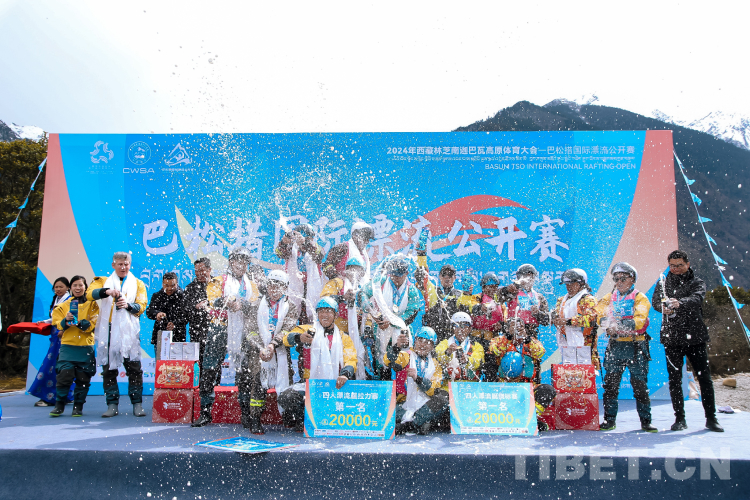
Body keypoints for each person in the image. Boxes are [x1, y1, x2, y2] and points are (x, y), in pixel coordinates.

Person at [652, 250, 723, 432]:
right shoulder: (663, 282)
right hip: (671, 338)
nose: (675, 269)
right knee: (675, 380)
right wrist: (663, 308)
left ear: (688, 264)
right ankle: (680, 419)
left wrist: (679, 303)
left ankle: (711, 418)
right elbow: (655, 302)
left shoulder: (697, 282)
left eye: (679, 265)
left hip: (695, 337)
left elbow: (697, 298)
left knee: (704, 378)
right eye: (672, 265)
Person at [193, 247, 259, 427]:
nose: (242, 265)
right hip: (220, 329)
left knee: (244, 371)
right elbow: (213, 300)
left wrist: (242, 304)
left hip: (243, 331)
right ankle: (205, 412)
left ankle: (245, 412)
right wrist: (227, 301)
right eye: (238, 261)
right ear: (231, 262)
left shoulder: (251, 284)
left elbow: (256, 305)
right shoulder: (219, 280)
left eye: (245, 262)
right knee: (209, 369)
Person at [278, 297, 357, 431]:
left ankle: (326, 418)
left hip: (335, 384)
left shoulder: (343, 337)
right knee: (286, 397)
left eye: (328, 311)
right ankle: (304, 419)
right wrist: (299, 338)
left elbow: (351, 359)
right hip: (311, 384)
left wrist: (345, 375)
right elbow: (286, 339)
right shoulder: (308, 330)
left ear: (335, 315)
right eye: (321, 311)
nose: (324, 315)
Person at [595, 262, 656, 432]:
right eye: (616, 278)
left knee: (640, 385)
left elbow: (640, 320)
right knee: (610, 385)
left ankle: (646, 421)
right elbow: (598, 312)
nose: (619, 282)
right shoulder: (609, 297)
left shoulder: (640, 297)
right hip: (615, 346)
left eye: (623, 278)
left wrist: (618, 325)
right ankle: (609, 420)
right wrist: (606, 322)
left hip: (636, 346)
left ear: (632, 279)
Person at [237, 270, 300, 434]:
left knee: (287, 383)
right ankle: (255, 419)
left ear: (285, 288)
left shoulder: (291, 307)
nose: (274, 289)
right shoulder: (256, 305)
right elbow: (250, 330)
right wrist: (261, 348)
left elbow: (287, 329)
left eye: (279, 285)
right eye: (272, 285)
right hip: (259, 354)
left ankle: (288, 415)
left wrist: (272, 345)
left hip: (281, 352)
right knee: (258, 384)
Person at [87, 251, 148, 418]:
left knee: (134, 368)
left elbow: (142, 306)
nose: (123, 267)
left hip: (129, 332)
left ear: (130, 265)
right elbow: (89, 294)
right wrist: (107, 292)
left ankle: (137, 404)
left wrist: (128, 305)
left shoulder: (138, 283)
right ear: (113, 265)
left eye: (126, 264)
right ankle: (112, 404)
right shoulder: (102, 281)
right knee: (108, 369)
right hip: (108, 330)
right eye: (120, 264)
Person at [361, 256, 422, 381]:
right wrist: (371, 311)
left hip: (400, 332)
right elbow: (363, 293)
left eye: (399, 276)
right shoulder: (381, 282)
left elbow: (412, 313)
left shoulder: (412, 291)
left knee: (401, 361)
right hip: (380, 330)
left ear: (406, 273)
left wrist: (392, 321)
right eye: (393, 275)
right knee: (380, 362)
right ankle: (383, 384)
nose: (395, 278)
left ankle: (400, 388)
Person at [49, 276, 98, 417]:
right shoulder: (62, 306)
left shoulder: (92, 304)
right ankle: (59, 405)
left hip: (85, 346)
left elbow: (94, 324)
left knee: (84, 378)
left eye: (80, 285)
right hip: (68, 346)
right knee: (64, 375)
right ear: (70, 288)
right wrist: (66, 321)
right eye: (75, 285)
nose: (78, 288)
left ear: (85, 287)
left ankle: (78, 407)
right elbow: (57, 324)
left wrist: (80, 323)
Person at [386, 326, 448, 435]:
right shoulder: (406, 355)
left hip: (424, 405)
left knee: (443, 398)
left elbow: (432, 390)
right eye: (420, 340)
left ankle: (409, 425)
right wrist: (396, 347)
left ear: (432, 346)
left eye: (427, 342)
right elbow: (388, 361)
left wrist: (417, 379)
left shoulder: (435, 365)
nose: (422, 344)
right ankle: (419, 423)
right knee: (389, 410)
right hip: (404, 404)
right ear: (415, 341)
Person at [320, 255, 371, 379]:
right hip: (338, 332)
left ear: (363, 273)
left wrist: (368, 328)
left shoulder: (364, 289)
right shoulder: (337, 282)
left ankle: (358, 383)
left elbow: (370, 311)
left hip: (358, 333)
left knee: (360, 359)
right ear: (346, 270)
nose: (354, 272)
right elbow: (323, 300)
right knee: (337, 361)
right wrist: (342, 298)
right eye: (351, 269)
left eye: (358, 269)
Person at [498, 264, 550, 383]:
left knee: (532, 364)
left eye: (531, 276)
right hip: (512, 333)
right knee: (509, 362)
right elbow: (497, 298)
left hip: (530, 335)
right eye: (525, 276)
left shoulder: (539, 297)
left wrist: (538, 314)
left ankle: (533, 387)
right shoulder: (513, 293)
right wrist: (507, 289)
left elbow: (546, 321)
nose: (528, 279)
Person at [29, 277, 72, 407]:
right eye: (56, 287)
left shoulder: (70, 300)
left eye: (61, 287)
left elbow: (73, 318)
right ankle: (65, 396)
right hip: (56, 336)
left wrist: (63, 329)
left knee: (55, 366)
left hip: (63, 337)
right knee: (58, 366)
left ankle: (51, 397)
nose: (58, 289)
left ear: (67, 287)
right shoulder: (57, 299)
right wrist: (45, 321)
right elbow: (55, 318)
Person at [275, 223, 325, 324]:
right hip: (294, 287)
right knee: (292, 313)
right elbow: (279, 253)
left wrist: (305, 243)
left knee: (311, 314)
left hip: (310, 287)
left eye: (308, 238)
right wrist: (284, 242)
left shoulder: (315, 248)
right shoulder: (291, 248)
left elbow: (320, 254)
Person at [551, 268, 600, 370]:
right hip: (567, 343)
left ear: (581, 284)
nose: (568, 287)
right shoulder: (562, 300)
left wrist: (568, 321)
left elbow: (590, 319)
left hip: (585, 344)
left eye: (572, 284)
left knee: (585, 374)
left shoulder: (588, 299)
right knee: (569, 372)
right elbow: (556, 314)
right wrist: (554, 319)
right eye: (567, 284)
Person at [470, 272, 506, 381]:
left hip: (492, 341)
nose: (493, 289)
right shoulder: (477, 298)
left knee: (491, 369)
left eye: (495, 287)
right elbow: (471, 308)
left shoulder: (500, 302)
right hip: (476, 339)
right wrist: (480, 308)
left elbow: (506, 321)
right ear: (484, 287)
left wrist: (501, 325)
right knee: (475, 368)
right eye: (490, 286)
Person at [489, 317, 546, 382]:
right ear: (507, 329)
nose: (517, 330)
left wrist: (527, 339)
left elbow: (540, 353)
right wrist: (508, 336)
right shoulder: (499, 340)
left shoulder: (531, 341)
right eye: (514, 328)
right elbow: (495, 351)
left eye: (520, 328)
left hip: (527, 383)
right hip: (504, 383)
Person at [146, 272, 187, 360]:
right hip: (161, 335)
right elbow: (149, 311)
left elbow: (186, 316)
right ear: (162, 284)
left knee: (177, 365)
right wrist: (157, 314)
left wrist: (175, 324)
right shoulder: (157, 295)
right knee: (161, 365)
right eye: (166, 285)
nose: (169, 288)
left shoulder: (183, 296)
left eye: (172, 285)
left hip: (178, 336)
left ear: (177, 284)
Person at [435, 312, 484, 382]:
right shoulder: (445, 343)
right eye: (456, 326)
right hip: (449, 385)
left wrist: (468, 360)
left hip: (471, 385)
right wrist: (447, 352)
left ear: (469, 329)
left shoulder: (476, 346)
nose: (460, 330)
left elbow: (478, 361)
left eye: (463, 326)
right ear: (453, 329)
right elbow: (438, 356)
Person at [183, 257, 212, 369]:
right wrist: (196, 307)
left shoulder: (217, 285)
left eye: (202, 270)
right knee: (197, 366)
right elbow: (184, 310)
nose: (199, 273)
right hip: (197, 334)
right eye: (196, 271)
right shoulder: (190, 288)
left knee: (214, 365)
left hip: (214, 332)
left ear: (209, 269)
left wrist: (211, 308)